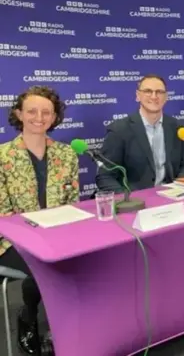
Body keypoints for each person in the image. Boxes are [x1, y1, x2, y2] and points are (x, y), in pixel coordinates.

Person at [0, 86, 79, 355]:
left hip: (58, 235)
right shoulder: (2, 156)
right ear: (18, 114)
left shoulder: (67, 154)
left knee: (84, 260)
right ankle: (29, 316)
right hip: (9, 239)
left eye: (46, 112)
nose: (39, 117)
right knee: (45, 266)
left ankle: (74, 325)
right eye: (31, 111)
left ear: (54, 117)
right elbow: (3, 214)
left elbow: (72, 201)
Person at [96, 74, 184, 192]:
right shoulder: (119, 130)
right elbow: (105, 177)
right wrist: (129, 200)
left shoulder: (177, 127)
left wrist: (178, 189)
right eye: (148, 91)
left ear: (166, 97)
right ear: (138, 96)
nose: (154, 96)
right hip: (135, 200)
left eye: (159, 92)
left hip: (171, 196)